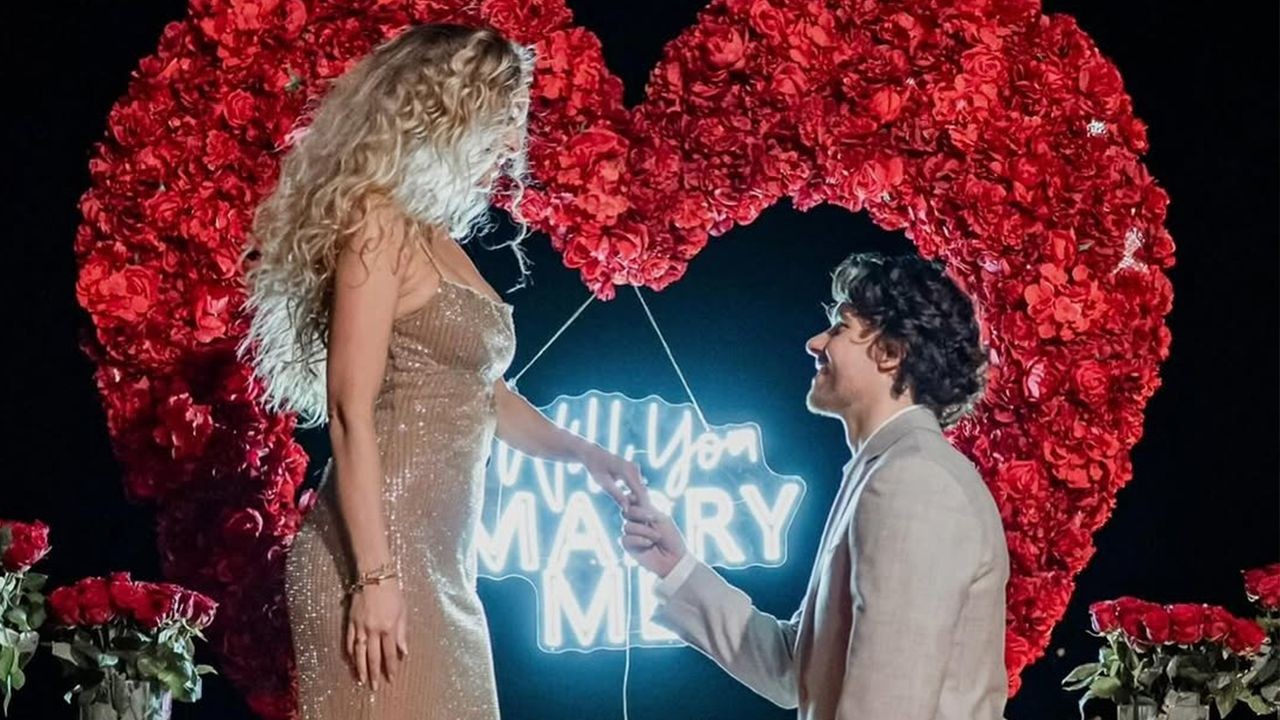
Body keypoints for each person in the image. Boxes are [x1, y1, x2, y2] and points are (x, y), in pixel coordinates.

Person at [238, 24, 640, 720]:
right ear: (445, 114)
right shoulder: (378, 224)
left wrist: (583, 452)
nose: (511, 144)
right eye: (500, 119)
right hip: (373, 552)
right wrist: (374, 577)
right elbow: (349, 410)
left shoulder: (435, 236)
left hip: (439, 563)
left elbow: (482, 392)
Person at [613, 253, 1009, 720]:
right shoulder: (886, 470)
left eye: (840, 327)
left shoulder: (915, 480)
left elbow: (886, 706)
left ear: (890, 352)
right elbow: (794, 669)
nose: (814, 342)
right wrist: (675, 567)